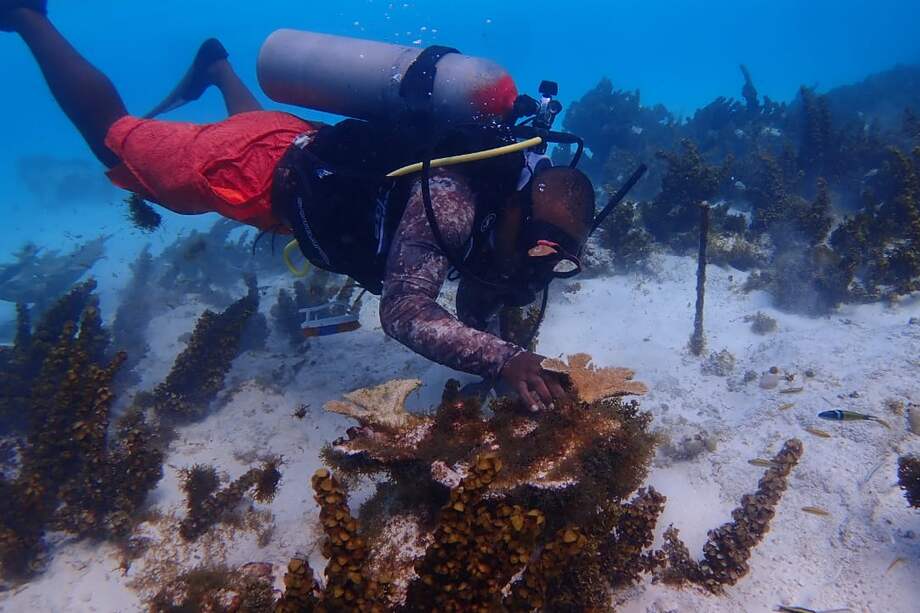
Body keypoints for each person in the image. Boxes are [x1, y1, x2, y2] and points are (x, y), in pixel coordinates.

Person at [2, 1, 597, 411]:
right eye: (539, 247)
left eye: (557, 259)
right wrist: (504, 359)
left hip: (294, 149)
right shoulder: (448, 197)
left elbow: (478, 299)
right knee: (116, 137)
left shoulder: (510, 200)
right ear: (521, 205)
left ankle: (216, 66)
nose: (537, 262)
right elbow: (405, 311)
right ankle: (30, 18)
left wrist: (507, 363)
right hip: (254, 169)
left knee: (264, 139)